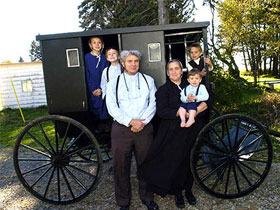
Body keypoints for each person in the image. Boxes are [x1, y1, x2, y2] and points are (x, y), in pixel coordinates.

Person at [138, 59, 214, 209]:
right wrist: (179, 114)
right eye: (171, 69)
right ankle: (178, 192)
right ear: (167, 72)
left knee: (191, 159)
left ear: (181, 71)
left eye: (177, 68)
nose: (174, 71)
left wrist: (199, 109)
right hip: (174, 130)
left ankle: (188, 189)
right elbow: (161, 111)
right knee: (178, 161)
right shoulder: (164, 90)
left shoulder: (192, 83)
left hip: (193, 128)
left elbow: (209, 96)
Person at [106, 50, 159, 210]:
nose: (133, 64)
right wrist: (130, 121)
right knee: (121, 167)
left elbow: (153, 103)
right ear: (123, 63)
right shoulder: (114, 82)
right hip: (121, 129)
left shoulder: (147, 80)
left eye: (136, 60)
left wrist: (142, 122)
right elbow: (112, 107)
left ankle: (147, 198)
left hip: (144, 127)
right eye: (129, 61)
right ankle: (123, 202)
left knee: (146, 164)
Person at [84, 36, 109, 132]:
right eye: (94, 43)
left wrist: (102, 88)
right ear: (90, 45)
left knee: (105, 107)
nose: (97, 45)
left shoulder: (105, 58)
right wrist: (93, 89)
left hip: (103, 87)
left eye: (99, 42)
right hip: (93, 88)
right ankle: (96, 129)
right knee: (95, 107)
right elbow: (87, 74)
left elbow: (107, 74)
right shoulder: (87, 58)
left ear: (102, 44)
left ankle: (106, 129)